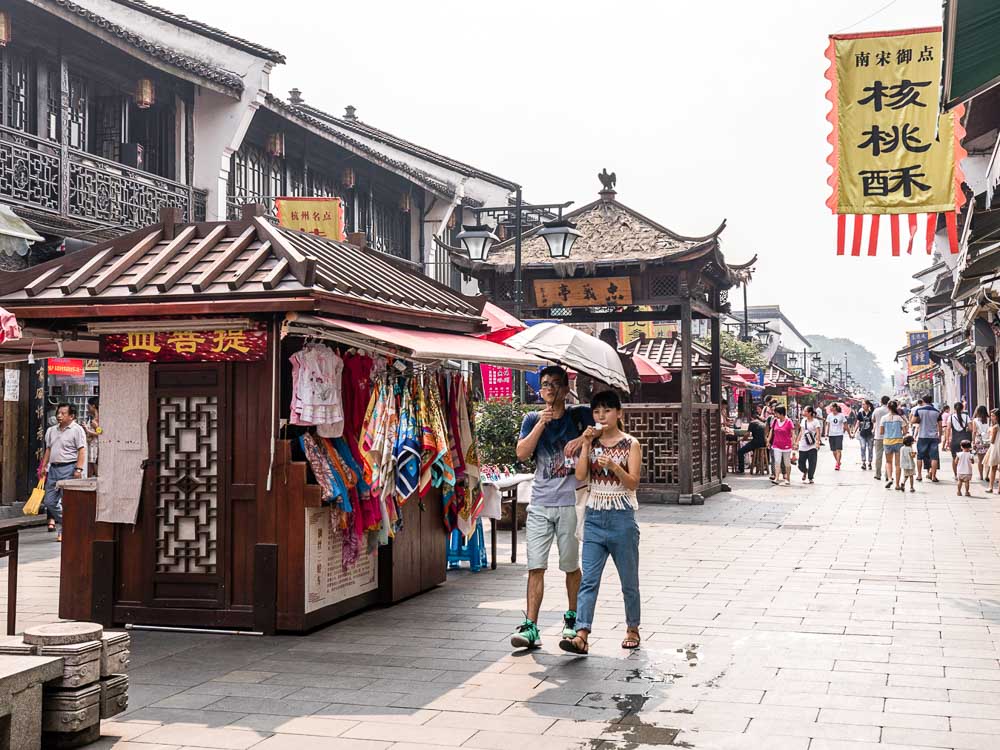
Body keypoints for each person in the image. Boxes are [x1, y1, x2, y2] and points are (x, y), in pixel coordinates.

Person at [512, 365, 594, 650]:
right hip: (539, 504)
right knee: (536, 566)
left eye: (555, 384)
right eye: (544, 384)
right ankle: (531, 626)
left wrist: (582, 438)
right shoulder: (532, 417)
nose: (548, 388)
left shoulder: (579, 414)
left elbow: (608, 426)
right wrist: (540, 425)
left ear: (565, 387)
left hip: (570, 504)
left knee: (571, 566)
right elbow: (522, 453)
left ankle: (572, 621)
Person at [561, 390, 642, 655]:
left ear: (619, 413)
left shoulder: (631, 443)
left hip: (622, 517)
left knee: (628, 580)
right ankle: (582, 634)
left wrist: (616, 468)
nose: (601, 416)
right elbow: (581, 475)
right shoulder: (592, 443)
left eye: (607, 410)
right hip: (594, 515)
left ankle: (632, 628)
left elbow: (633, 483)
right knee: (589, 580)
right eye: (597, 411)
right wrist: (585, 444)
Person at [40, 403, 87, 543]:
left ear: (71, 416)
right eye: (58, 413)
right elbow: (48, 449)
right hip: (53, 469)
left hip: (69, 468)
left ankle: (66, 528)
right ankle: (69, 524)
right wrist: (44, 466)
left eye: (63, 413)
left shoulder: (77, 430)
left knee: (67, 502)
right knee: (49, 502)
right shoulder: (51, 430)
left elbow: (81, 450)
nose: (59, 416)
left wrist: (79, 469)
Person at [911, 396, 942, 482]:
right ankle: (934, 476)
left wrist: (919, 420)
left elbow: (913, 421)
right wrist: (939, 436)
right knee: (934, 457)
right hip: (933, 437)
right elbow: (940, 425)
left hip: (922, 436)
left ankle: (919, 475)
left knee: (920, 456)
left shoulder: (919, 410)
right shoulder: (937, 412)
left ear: (923, 401)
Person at [879, 400, 906, 491]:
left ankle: (890, 478)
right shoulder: (899, 418)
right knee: (898, 464)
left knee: (888, 462)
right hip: (898, 442)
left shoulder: (884, 418)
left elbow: (881, 432)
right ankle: (897, 485)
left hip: (887, 442)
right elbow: (905, 431)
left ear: (888, 407)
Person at [768, 405, 794, 486]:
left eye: (777, 413)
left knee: (787, 463)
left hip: (786, 445)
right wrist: (768, 440)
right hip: (776, 445)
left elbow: (793, 433)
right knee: (777, 461)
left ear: (781, 413)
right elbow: (771, 431)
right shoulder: (775, 421)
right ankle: (777, 478)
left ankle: (788, 478)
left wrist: (794, 443)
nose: (775, 415)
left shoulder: (789, 422)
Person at [795, 405, 822, 483]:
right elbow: (801, 432)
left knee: (812, 462)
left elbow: (818, 432)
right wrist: (797, 442)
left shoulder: (815, 421)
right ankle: (805, 471)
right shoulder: (803, 420)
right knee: (800, 463)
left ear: (810, 413)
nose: (804, 412)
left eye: (805, 411)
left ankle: (810, 477)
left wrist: (817, 442)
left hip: (812, 445)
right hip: (803, 444)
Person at [948, 402, 972, 480]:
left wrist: (948, 440)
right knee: (965, 457)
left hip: (954, 440)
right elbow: (971, 428)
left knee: (954, 457)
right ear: (962, 408)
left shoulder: (950, 417)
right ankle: (965, 474)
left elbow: (948, 429)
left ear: (954, 409)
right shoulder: (966, 416)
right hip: (964, 440)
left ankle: (956, 475)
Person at [871, 396, 890, 480]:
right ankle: (887, 475)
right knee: (888, 457)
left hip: (878, 436)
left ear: (881, 401)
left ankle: (878, 474)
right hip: (889, 436)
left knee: (878, 456)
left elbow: (873, 420)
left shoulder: (877, 410)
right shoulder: (890, 410)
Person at [853, 400, 876, 470]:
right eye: (862, 405)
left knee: (870, 448)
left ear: (868, 405)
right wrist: (854, 431)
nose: (863, 406)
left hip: (870, 434)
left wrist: (873, 429)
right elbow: (857, 422)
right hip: (862, 433)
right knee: (863, 447)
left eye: (864, 404)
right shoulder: (860, 413)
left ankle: (869, 462)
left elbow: (874, 422)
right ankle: (863, 462)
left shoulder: (872, 413)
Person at [82, 397, 101, 478]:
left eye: (88, 406)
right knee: (90, 471)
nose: (87, 408)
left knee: (96, 470)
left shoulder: (97, 420)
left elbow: (100, 433)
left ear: (93, 406)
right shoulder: (92, 419)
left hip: (95, 447)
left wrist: (87, 429)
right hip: (91, 446)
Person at [825, 403, 848, 470]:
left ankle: (837, 464)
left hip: (839, 434)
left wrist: (849, 433)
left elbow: (845, 424)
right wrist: (826, 433)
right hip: (831, 435)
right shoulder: (829, 416)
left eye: (831, 407)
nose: (830, 408)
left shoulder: (841, 415)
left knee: (838, 450)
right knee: (834, 451)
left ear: (835, 408)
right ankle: (838, 461)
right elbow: (827, 425)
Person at [973, 405, 990, 481]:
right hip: (989, 441)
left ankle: (981, 476)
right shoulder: (989, 420)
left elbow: (974, 432)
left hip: (979, 441)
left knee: (980, 460)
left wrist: (973, 442)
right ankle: (987, 475)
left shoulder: (975, 420)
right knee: (988, 460)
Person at [985, 409, 1000, 494]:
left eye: (993, 416)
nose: (991, 417)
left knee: (993, 468)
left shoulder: (995, 427)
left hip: (995, 448)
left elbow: (992, 441)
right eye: (991, 415)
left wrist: (989, 435)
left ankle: (990, 487)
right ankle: (999, 489)